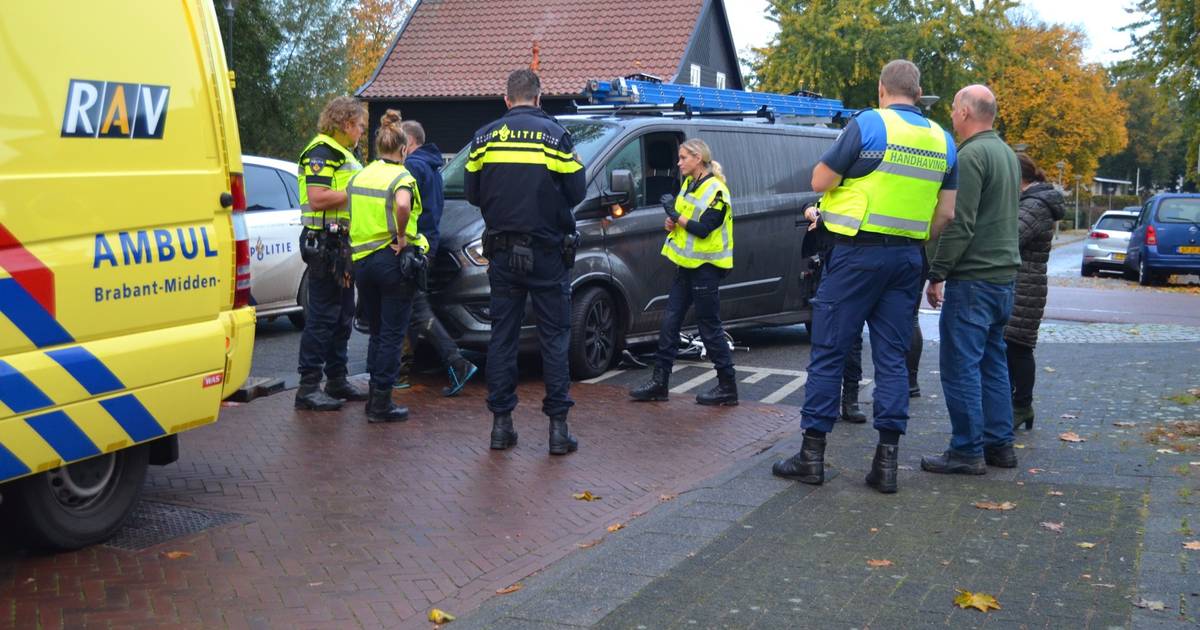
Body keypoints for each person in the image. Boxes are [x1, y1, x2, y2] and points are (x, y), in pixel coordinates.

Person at [772, 60, 957, 494]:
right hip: (907, 258)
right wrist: (912, 238)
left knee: (829, 350)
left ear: (881, 89)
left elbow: (820, 178)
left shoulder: (868, 125)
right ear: (918, 91)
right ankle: (886, 463)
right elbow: (946, 213)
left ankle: (812, 456)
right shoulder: (943, 140)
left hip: (855, 256)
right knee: (892, 357)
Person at [465, 69, 586, 455]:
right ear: (538, 98)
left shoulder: (483, 137)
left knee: (503, 336)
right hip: (547, 252)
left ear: (506, 100)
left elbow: (471, 192)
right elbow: (577, 190)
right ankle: (557, 431)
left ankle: (501, 427)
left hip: (501, 253)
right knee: (554, 338)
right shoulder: (555, 136)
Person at [920, 85, 1022, 475]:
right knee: (993, 362)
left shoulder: (972, 155)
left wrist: (937, 271)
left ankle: (966, 450)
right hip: (1003, 278)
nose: (950, 115)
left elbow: (958, 222)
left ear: (964, 111)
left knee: (960, 365)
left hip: (973, 279)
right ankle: (1001, 445)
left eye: (952, 108)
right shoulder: (1007, 154)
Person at [628, 139, 738, 406]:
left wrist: (675, 215)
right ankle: (660, 383)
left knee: (709, 327)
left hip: (707, 268)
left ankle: (728, 387)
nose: (678, 163)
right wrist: (672, 222)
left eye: (683, 158)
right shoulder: (690, 185)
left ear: (698, 158)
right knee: (669, 322)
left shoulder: (717, 190)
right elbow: (684, 221)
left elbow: (703, 228)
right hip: (687, 267)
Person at [346, 110, 429, 422]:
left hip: (361, 262)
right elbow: (404, 204)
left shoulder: (360, 175)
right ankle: (381, 403)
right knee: (394, 334)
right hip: (391, 258)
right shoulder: (401, 176)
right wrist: (401, 235)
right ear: (403, 149)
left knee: (378, 331)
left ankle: (373, 396)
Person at [294, 96, 369, 411]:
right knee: (323, 316)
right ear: (347, 123)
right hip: (324, 243)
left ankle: (336, 379)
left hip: (340, 245)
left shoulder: (344, 153)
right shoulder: (322, 151)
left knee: (343, 314)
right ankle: (308, 387)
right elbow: (317, 198)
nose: (362, 133)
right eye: (360, 127)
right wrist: (359, 193)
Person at [400, 120, 478, 396]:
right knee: (411, 308)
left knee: (417, 308)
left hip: (413, 246)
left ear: (408, 143)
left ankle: (456, 361)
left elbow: (404, 207)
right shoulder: (433, 167)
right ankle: (401, 369)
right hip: (429, 244)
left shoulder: (412, 167)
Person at [1005, 154, 1066, 431]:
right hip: (1025, 282)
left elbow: (1012, 237)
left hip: (1025, 284)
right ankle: (1014, 405)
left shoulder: (1035, 204)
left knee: (1018, 345)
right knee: (1012, 345)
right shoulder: (1032, 202)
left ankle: (1021, 406)